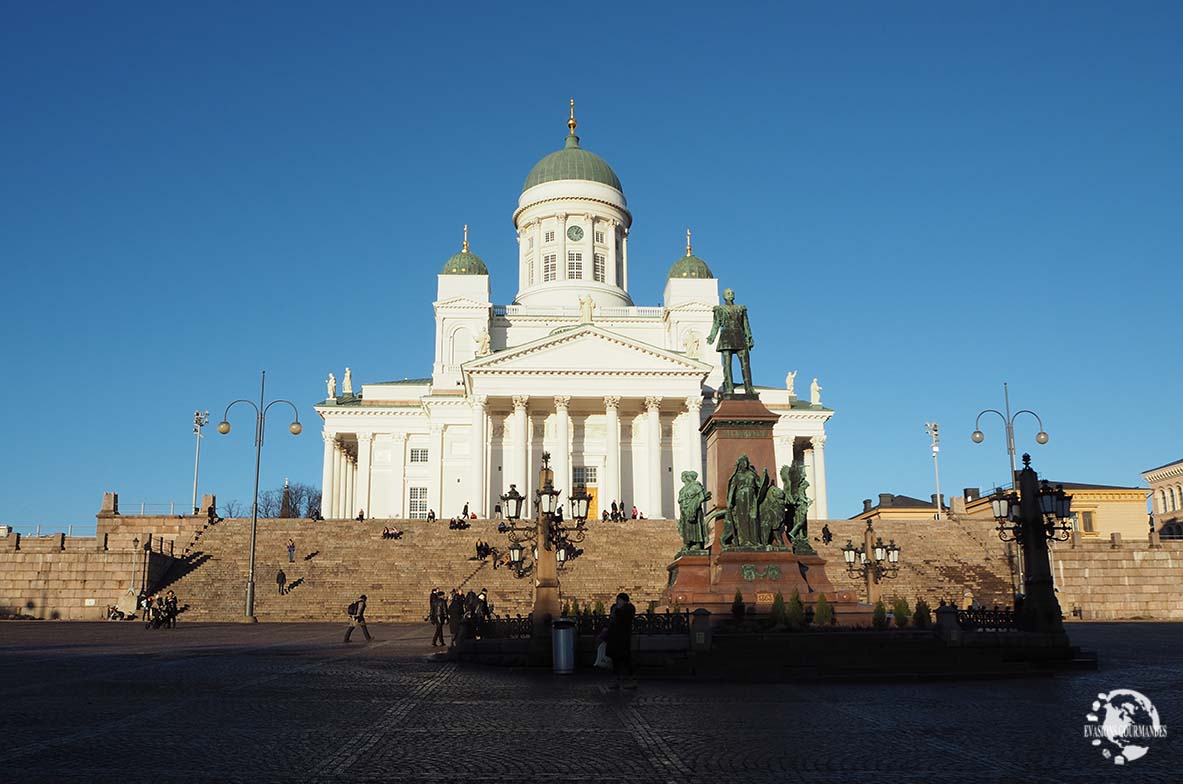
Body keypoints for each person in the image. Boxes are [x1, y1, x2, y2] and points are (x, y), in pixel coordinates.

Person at [605, 592, 637, 689]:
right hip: (614, 638)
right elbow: (611, 621)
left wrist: (618, 610)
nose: (618, 602)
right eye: (617, 600)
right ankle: (616, 681)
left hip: (623, 638)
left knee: (626, 659)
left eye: (620, 600)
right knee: (615, 660)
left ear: (625, 601)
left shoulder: (628, 609)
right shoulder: (615, 608)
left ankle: (632, 680)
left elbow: (624, 619)